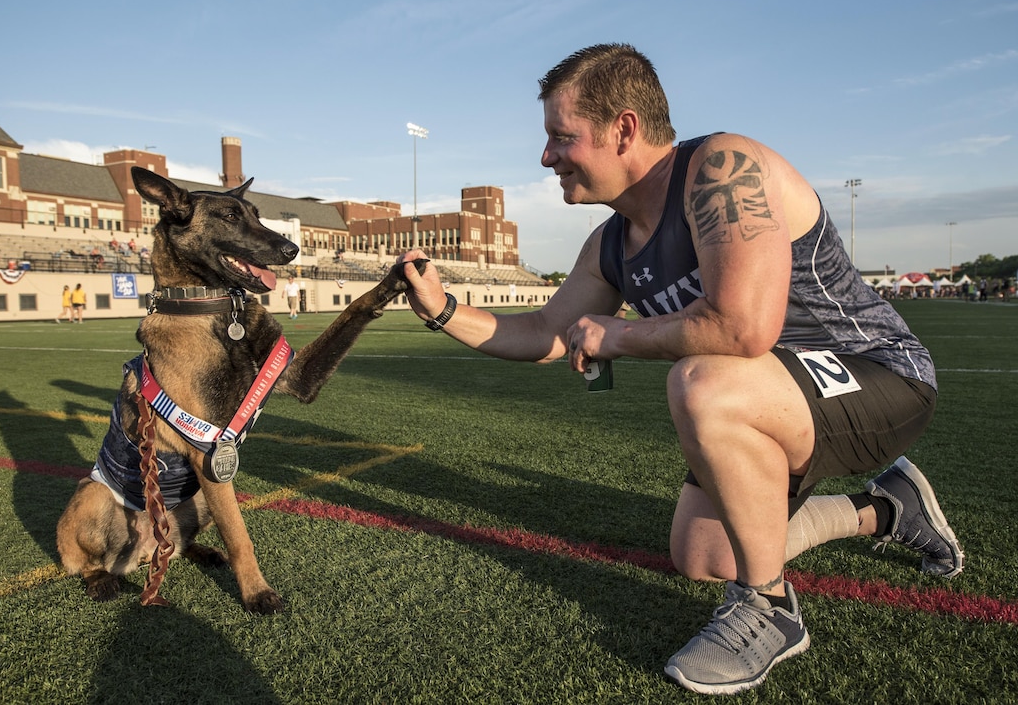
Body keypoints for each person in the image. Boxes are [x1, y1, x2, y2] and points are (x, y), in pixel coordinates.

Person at [398, 44, 964, 696]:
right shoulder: (611, 241)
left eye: (561, 137)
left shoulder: (722, 167)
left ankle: (769, 610)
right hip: (770, 391)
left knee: (702, 382)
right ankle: (888, 510)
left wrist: (620, 334)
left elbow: (743, 327)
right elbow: (541, 334)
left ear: (625, 130)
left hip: (878, 371)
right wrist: (441, 309)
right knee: (705, 555)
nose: (547, 157)